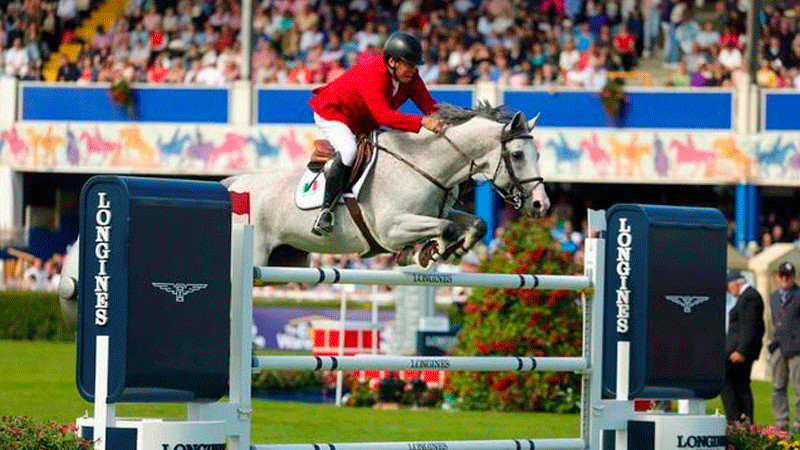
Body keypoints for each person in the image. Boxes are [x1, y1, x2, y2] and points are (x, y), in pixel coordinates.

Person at [307, 32, 444, 236]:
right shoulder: (373, 72)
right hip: (335, 113)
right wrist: (422, 122)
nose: (414, 71)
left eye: (416, 66)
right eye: (410, 65)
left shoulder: (410, 77)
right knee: (349, 150)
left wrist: (452, 119)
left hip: (363, 120)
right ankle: (326, 211)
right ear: (392, 62)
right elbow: (383, 116)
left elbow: (429, 105)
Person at [722, 270, 765, 424]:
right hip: (737, 349)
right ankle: (743, 419)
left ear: (736, 283)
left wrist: (741, 351)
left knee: (725, 378)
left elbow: (750, 327)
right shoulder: (746, 298)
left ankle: (735, 417)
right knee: (740, 384)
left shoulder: (750, 298)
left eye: (728, 286)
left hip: (739, 351)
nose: (728, 290)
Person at [769, 261, 800, 432]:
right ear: (778, 277)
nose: (785, 279)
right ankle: (781, 419)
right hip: (779, 345)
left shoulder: (799, 294)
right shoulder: (774, 296)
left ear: (794, 276)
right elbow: (776, 321)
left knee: (798, 386)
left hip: (797, 347)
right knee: (778, 385)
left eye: (788, 276)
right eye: (782, 275)